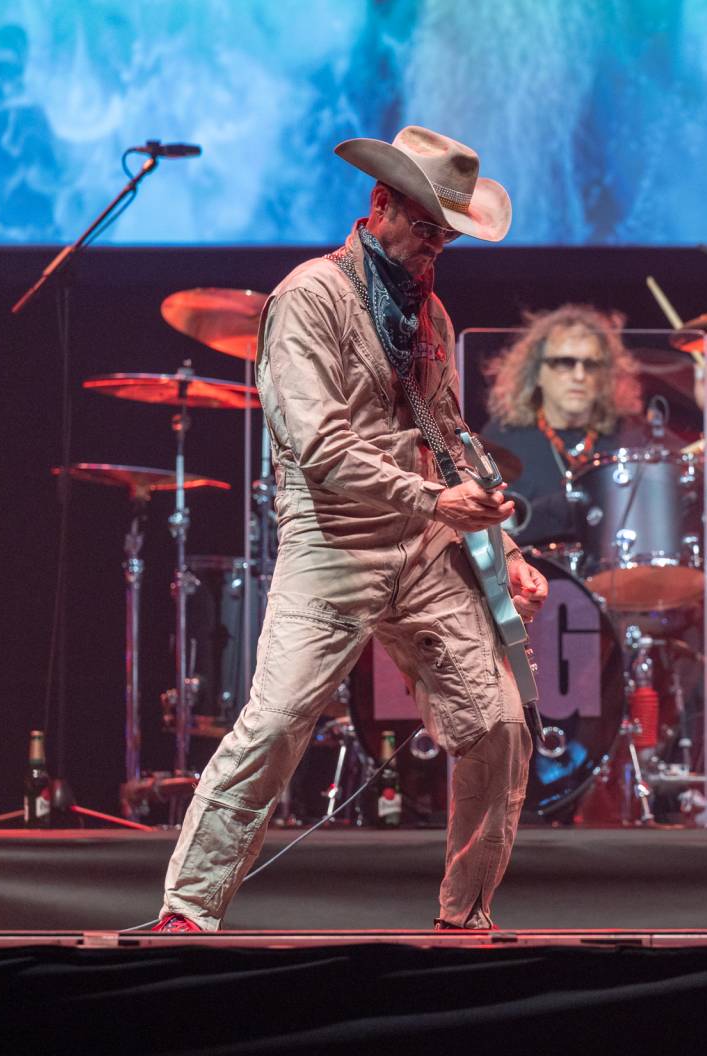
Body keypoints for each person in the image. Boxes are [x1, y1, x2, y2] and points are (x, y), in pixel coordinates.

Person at [152, 126, 549, 932]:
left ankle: (463, 918)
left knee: (502, 724)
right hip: (333, 538)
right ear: (381, 205)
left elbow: (448, 432)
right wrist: (437, 503)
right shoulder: (309, 296)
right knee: (274, 724)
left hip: (421, 541)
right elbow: (324, 449)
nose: (437, 248)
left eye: (449, 236)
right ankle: (187, 913)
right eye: (429, 228)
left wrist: (503, 547)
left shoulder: (427, 309)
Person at [480, 305, 707, 546]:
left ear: (607, 376)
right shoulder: (502, 437)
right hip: (532, 583)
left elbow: (706, 486)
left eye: (592, 365)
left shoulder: (631, 432)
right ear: (536, 373)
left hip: (621, 582)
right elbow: (487, 533)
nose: (579, 376)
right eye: (564, 363)